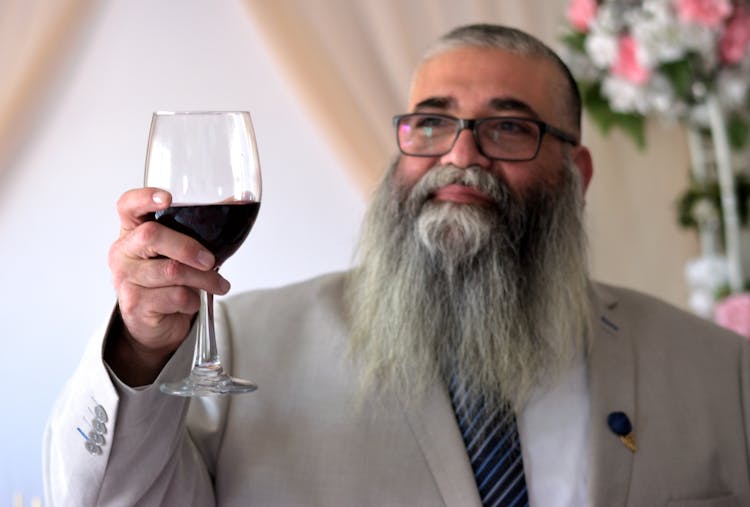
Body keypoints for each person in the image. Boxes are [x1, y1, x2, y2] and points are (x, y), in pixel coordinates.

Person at [43, 23, 750, 507]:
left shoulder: (722, 373)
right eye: (433, 123)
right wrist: (139, 349)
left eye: (508, 127)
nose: (461, 155)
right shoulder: (240, 345)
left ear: (577, 171)